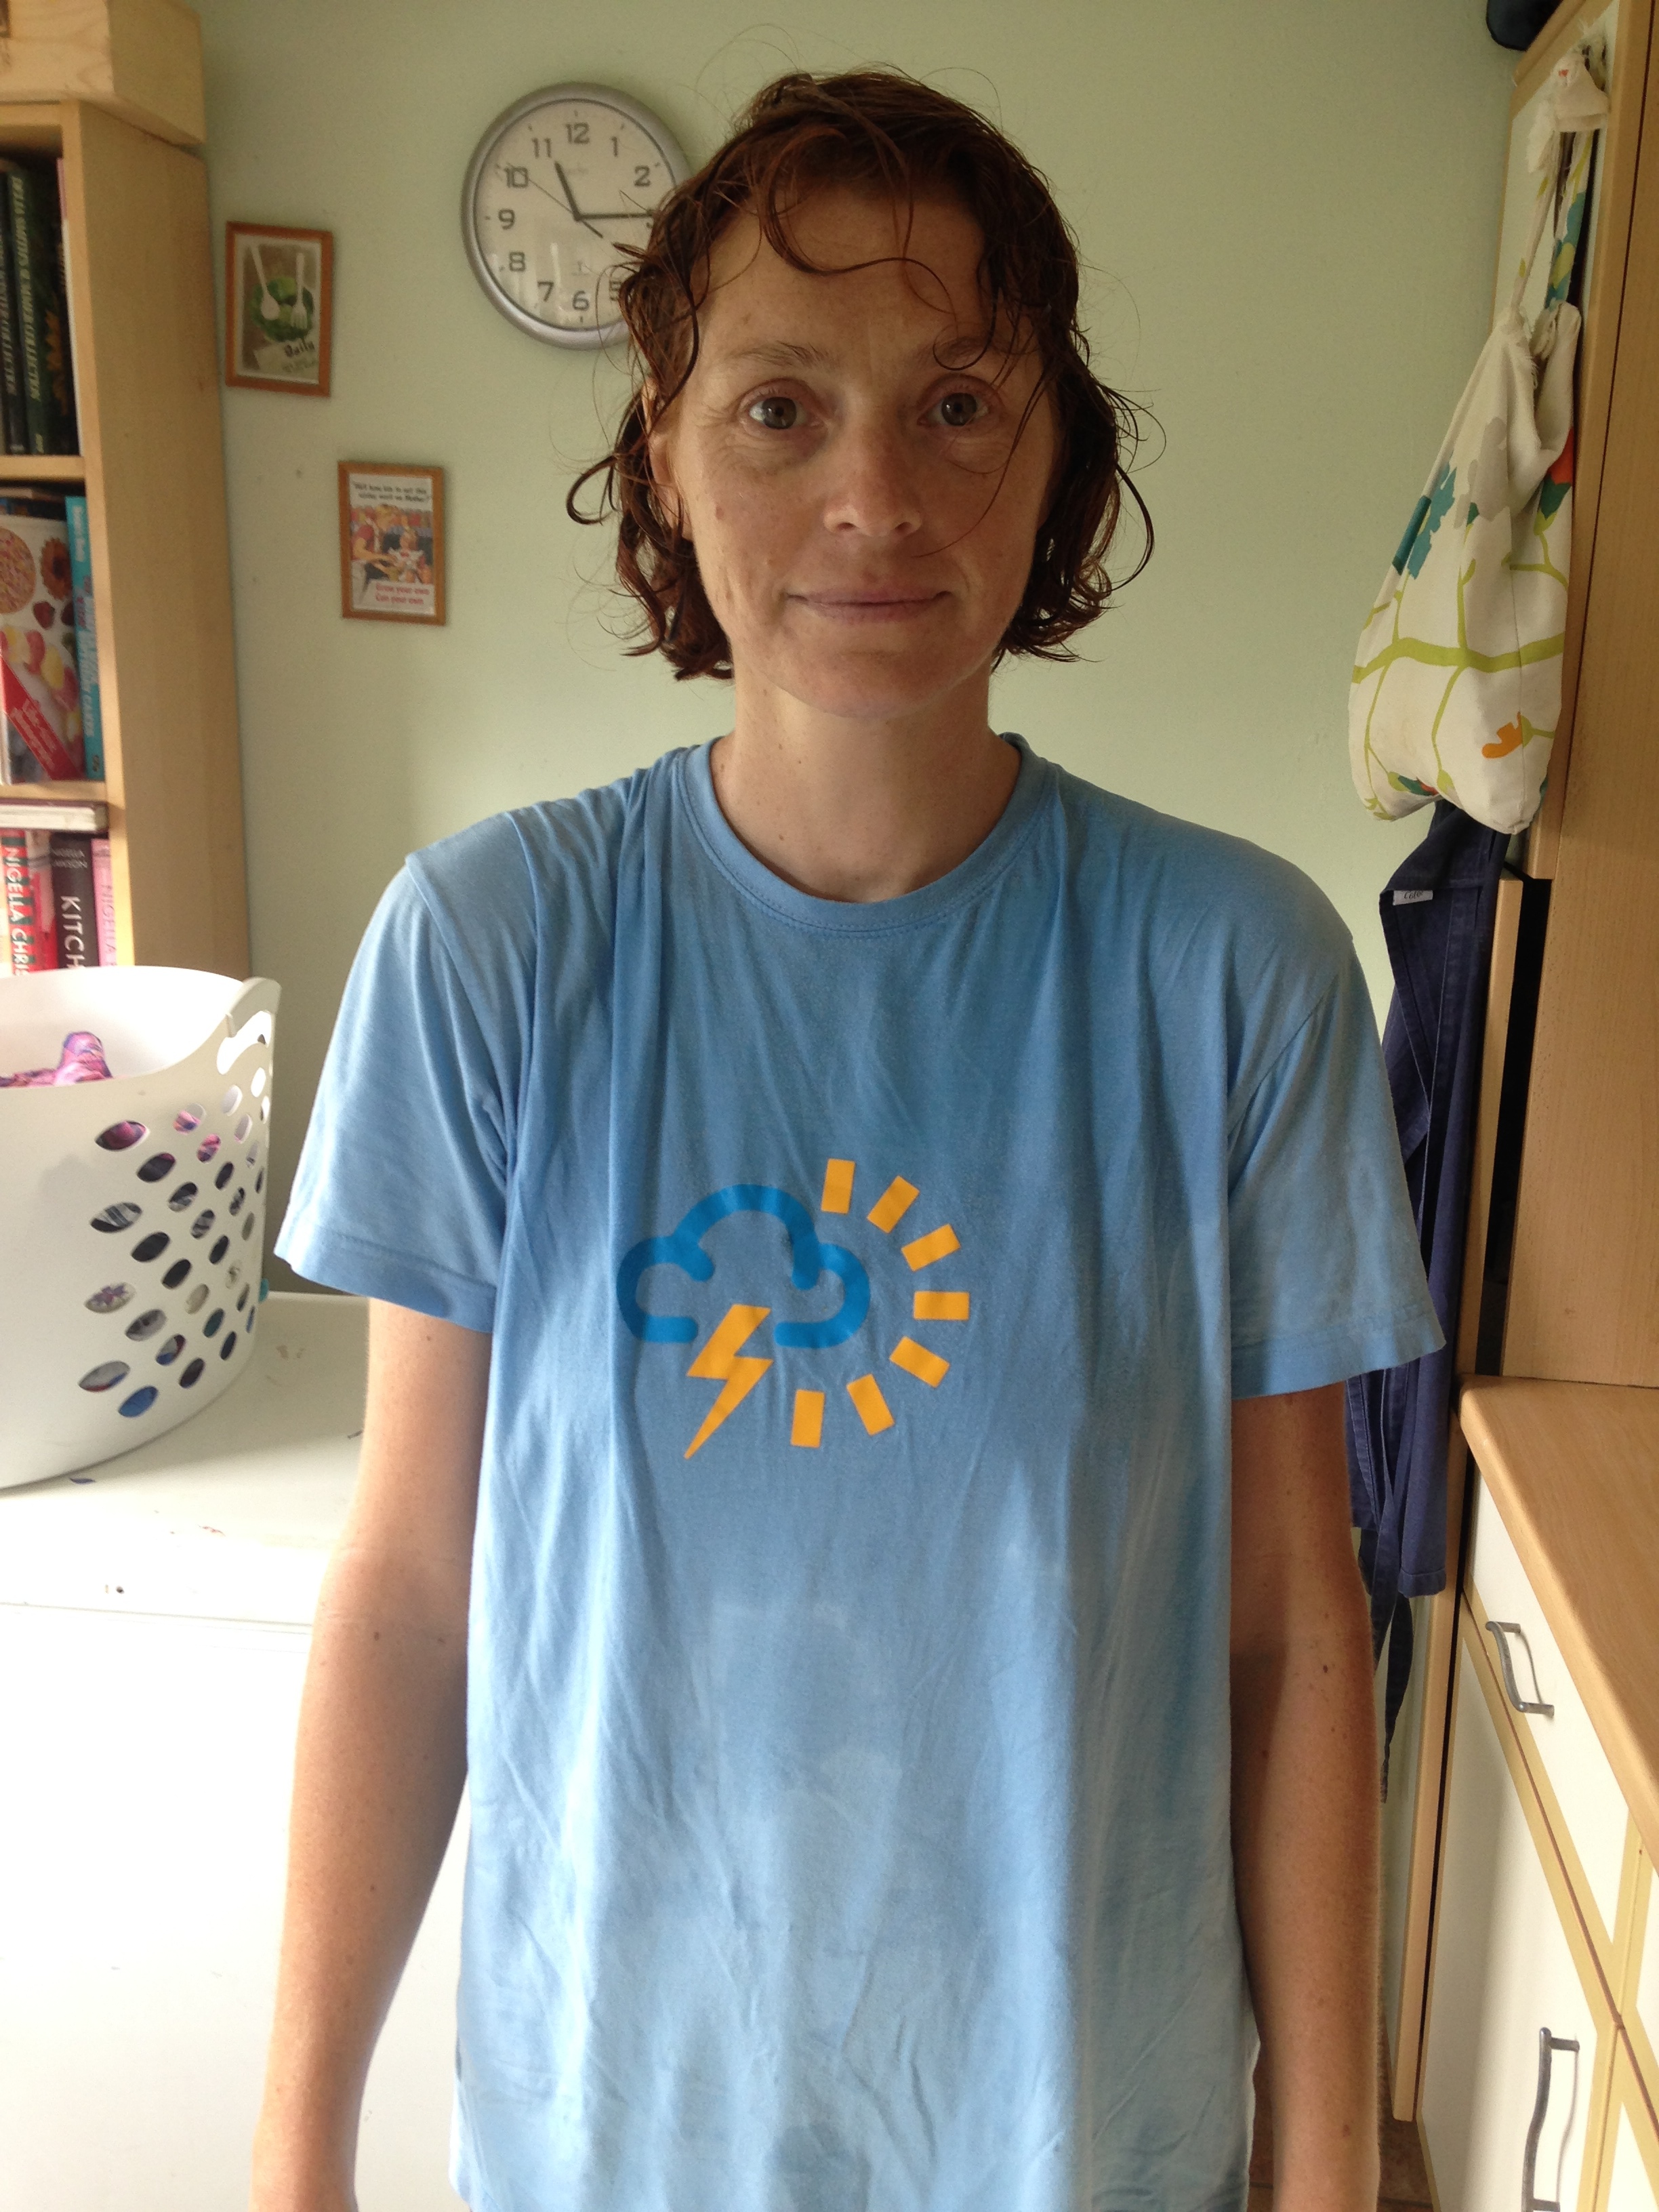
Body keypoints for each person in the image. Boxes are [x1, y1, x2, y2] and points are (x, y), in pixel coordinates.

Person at [253, 70, 1440, 2212]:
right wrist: (295, 2147)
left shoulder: (1238, 971)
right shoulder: (491, 948)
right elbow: (413, 1593)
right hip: (609, 2130)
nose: (875, 494)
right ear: (668, 454)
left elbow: (1291, 1619)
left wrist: (1329, 2161)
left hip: (1080, 2131)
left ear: (1057, 457)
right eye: (782, 408)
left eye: (959, 405)